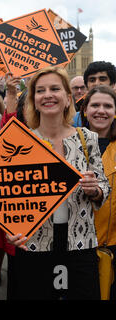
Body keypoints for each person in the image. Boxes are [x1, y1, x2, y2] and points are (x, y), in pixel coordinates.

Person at [7, 66, 110, 300]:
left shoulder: (88, 138)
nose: (48, 95)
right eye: (40, 90)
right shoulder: (21, 142)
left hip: (80, 243)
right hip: (35, 244)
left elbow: (104, 187)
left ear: (67, 97)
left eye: (55, 89)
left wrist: (95, 190)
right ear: (33, 99)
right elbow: (10, 197)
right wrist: (10, 228)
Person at [80, 85, 116, 299]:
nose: (101, 110)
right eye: (95, 105)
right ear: (84, 110)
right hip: (78, 246)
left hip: (112, 243)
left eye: (107, 106)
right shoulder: (68, 144)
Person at [73, 61, 116, 126]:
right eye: (92, 80)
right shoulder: (73, 121)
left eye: (102, 79)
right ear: (86, 86)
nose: (97, 83)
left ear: (112, 84)